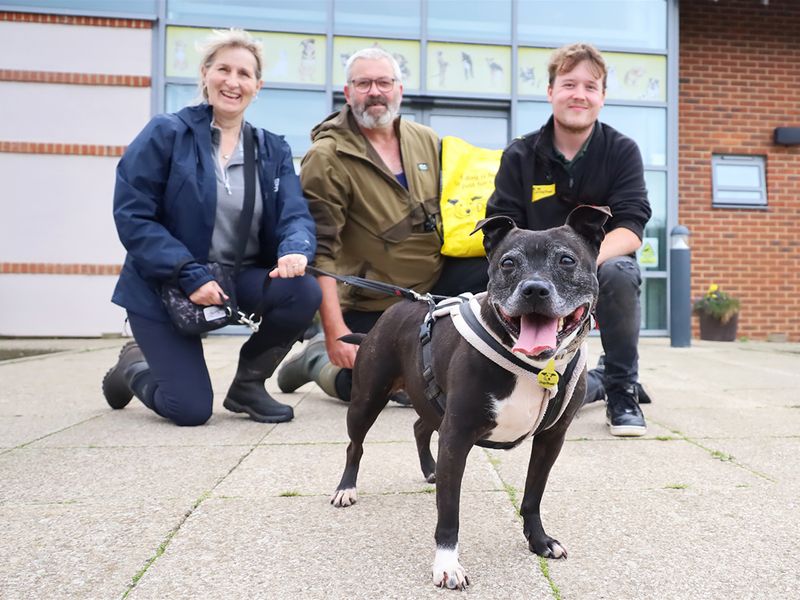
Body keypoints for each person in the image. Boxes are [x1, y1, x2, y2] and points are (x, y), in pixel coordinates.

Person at [101, 29, 321, 426]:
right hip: (163, 284)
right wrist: (189, 273)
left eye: (244, 73)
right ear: (205, 74)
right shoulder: (166, 133)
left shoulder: (271, 148)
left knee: (302, 290)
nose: (232, 82)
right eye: (223, 69)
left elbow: (294, 213)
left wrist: (295, 249)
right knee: (189, 410)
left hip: (232, 280)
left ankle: (249, 386)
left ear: (258, 85)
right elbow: (133, 214)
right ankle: (133, 366)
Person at [277, 47, 486, 403]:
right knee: (368, 387)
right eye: (363, 83)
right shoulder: (326, 157)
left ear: (399, 90)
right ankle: (315, 359)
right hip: (371, 304)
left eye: (384, 82)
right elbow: (321, 252)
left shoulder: (426, 139)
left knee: (495, 270)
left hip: (431, 289)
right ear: (348, 93)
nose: (375, 91)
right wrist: (334, 333)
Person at [486, 42, 652, 437]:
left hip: (591, 267)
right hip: (531, 271)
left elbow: (631, 228)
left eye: (590, 87)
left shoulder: (622, 151)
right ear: (550, 92)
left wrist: (575, 268)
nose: (579, 94)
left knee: (619, 272)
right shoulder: (519, 155)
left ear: (603, 97)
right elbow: (501, 226)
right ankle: (516, 374)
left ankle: (621, 389)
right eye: (568, 84)